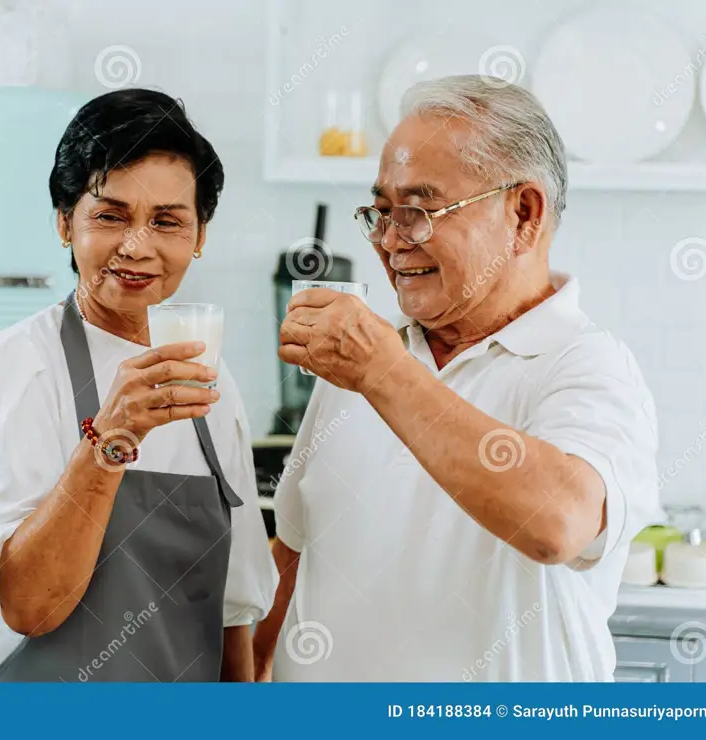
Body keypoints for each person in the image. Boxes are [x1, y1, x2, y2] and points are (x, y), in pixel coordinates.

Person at [254, 75, 659, 682]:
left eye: (418, 211)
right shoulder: (362, 364)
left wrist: (381, 371)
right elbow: (292, 554)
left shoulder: (588, 365)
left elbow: (559, 524)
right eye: (382, 212)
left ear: (523, 214)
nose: (391, 242)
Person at [0, 88, 276, 682]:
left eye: (167, 221)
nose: (136, 246)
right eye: (110, 216)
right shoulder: (15, 368)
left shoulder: (213, 381)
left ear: (200, 236)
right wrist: (110, 439)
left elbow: (232, 610)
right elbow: (30, 607)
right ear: (66, 223)